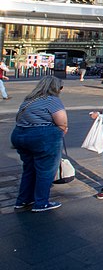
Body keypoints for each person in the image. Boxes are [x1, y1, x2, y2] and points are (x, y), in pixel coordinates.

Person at [10, 75, 68, 212]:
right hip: (42, 137)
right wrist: (62, 130)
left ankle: (23, 200)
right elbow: (62, 122)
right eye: (60, 87)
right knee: (45, 171)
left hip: (20, 135)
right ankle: (41, 202)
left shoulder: (28, 100)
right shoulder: (53, 101)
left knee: (29, 169)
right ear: (55, 88)